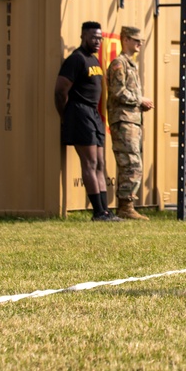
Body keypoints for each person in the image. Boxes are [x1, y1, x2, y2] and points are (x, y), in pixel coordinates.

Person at [54, 21, 118, 221]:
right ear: (83, 37)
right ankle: (98, 212)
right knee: (90, 163)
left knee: (100, 163)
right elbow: (60, 91)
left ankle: (105, 210)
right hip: (80, 114)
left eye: (99, 38)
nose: (97, 41)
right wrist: (66, 115)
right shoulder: (76, 59)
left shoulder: (94, 60)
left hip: (94, 114)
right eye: (93, 37)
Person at [105, 26, 153, 221]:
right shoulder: (119, 64)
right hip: (123, 120)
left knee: (133, 162)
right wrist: (139, 99)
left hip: (131, 120)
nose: (139, 43)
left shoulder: (130, 65)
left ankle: (127, 205)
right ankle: (125, 206)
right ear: (125, 39)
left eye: (140, 40)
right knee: (131, 164)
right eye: (135, 40)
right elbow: (118, 91)